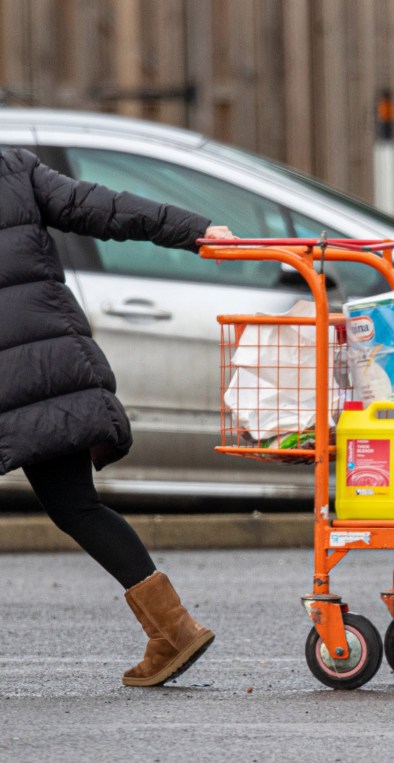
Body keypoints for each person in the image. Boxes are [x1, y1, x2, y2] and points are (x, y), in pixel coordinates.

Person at [0, 147, 235, 687]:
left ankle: (173, 630)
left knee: (74, 506)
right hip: (45, 365)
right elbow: (104, 207)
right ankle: (173, 629)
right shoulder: (12, 169)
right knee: (76, 506)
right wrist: (195, 229)